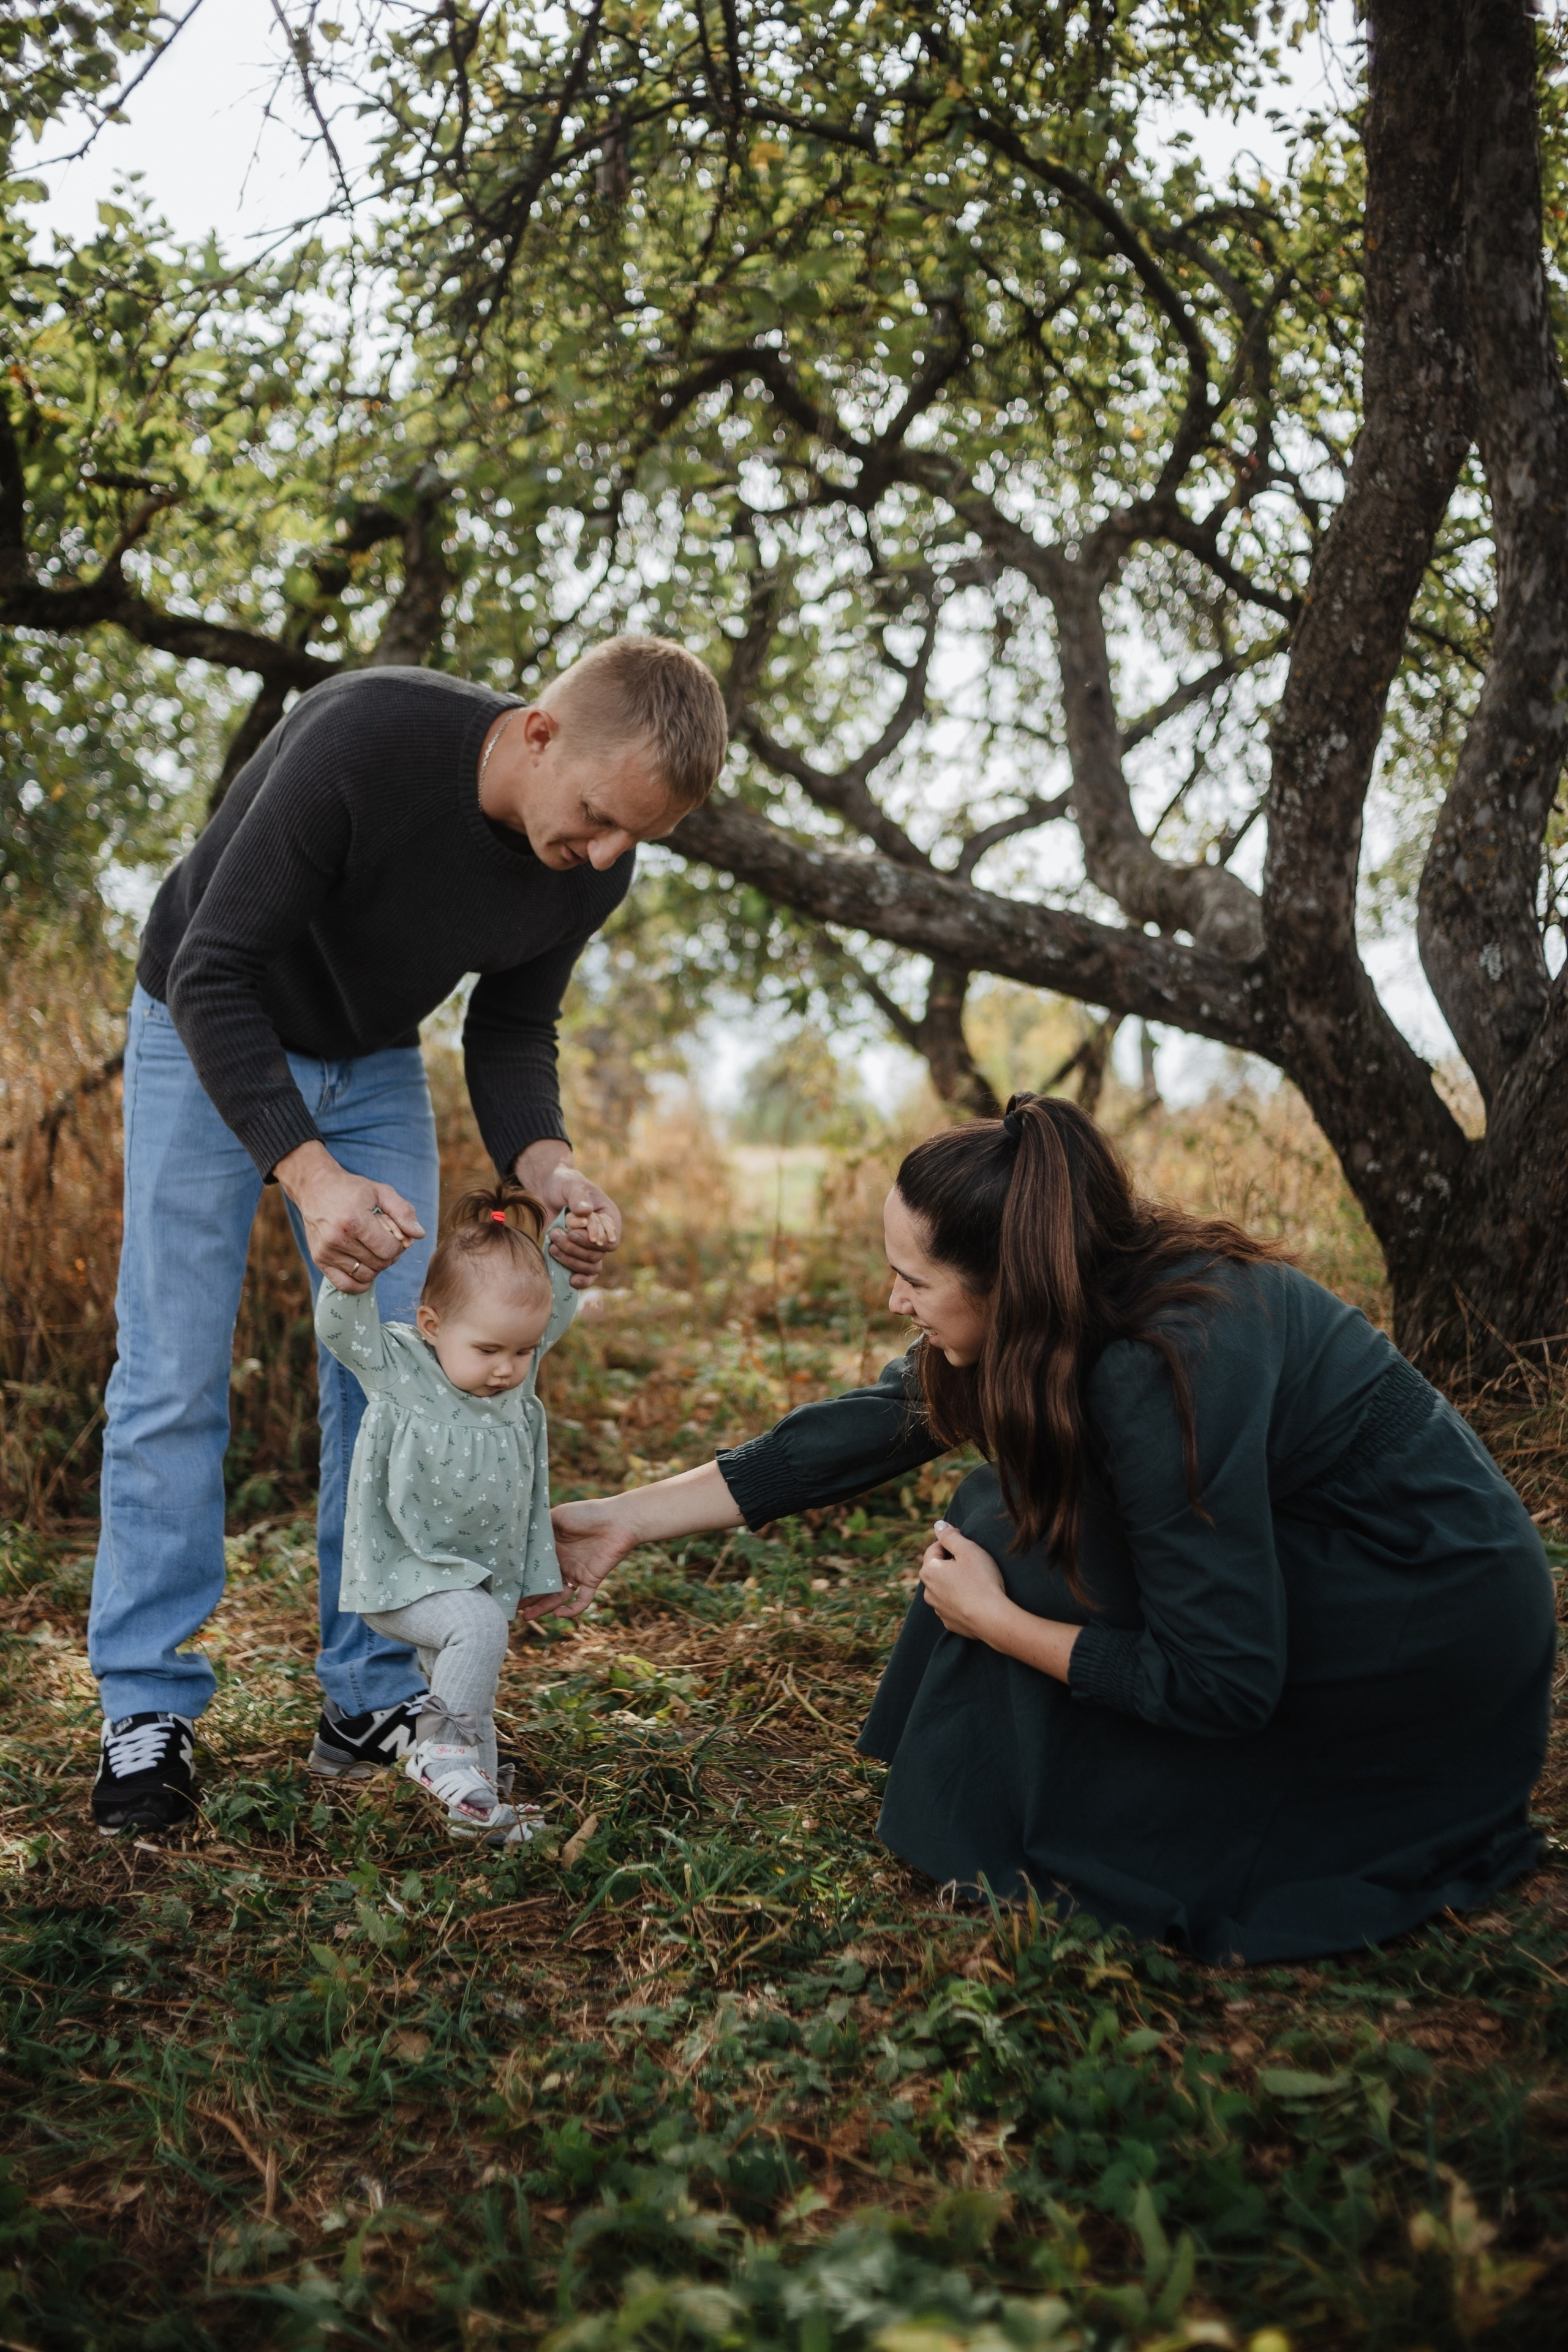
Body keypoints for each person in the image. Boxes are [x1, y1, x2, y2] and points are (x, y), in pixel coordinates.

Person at [541, 1095, 1557, 1966]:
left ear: (1004, 1281)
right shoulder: (1069, 1291)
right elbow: (865, 1431)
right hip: (1343, 1558)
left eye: (915, 1280)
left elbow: (1225, 1681)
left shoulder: (1164, 1364)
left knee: (1019, 1537)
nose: (895, 1299)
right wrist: (621, 1520)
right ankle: (1032, 1788)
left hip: (1426, 1616)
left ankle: (1122, 1821)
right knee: (1011, 1506)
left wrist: (992, 1622)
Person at [90, 636, 728, 1833]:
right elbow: (213, 967)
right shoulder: (366, 740)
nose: (599, 856)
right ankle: (148, 1708)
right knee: (174, 1367)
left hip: (372, 1059)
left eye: (628, 840)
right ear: (538, 731)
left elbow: (508, 1034)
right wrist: (310, 1172)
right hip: (204, 1023)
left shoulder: (592, 862)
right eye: (593, 817)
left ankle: (367, 1694)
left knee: (404, 1381)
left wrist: (556, 1174)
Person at [316, 1177, 599, 1845]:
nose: (507, 1369)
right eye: (488, 1351)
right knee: (474, 1628)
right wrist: (357, 1279)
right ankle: (436, 1752)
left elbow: (553, 1307)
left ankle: (478, 1816)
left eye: (522, 1351)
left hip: (468, 1574)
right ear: (432, 1326)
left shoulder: (512, 1374)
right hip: (401, 1573)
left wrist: (567, 1245)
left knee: (477, 1691)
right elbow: (338, 1328)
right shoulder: (399, 1366)